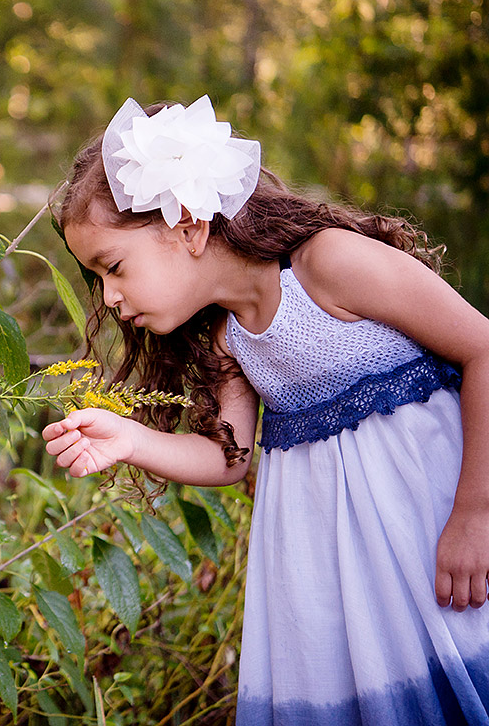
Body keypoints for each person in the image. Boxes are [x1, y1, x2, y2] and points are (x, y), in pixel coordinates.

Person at [41, 96, 489, 724]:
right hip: (333, 569)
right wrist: (130, 439)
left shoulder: (329, 265)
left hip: (428, 522)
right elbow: (229, 457)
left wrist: (474, 514)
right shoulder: (230, 339)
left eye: (112, 268)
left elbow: (483, 350)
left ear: (189, 227)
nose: (110, 298)